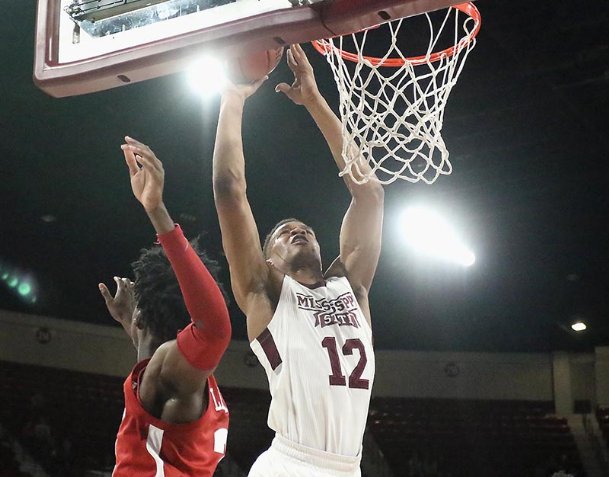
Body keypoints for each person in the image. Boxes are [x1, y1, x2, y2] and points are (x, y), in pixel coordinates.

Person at [212, 44, 384, 476]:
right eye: (282, 234)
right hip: (291, 464)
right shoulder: (265, 292)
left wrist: (315, 102)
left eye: (302, 227)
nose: (297, 229)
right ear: (267, 260)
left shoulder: (352, 287)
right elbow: (229, 189)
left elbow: (370, 194)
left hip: (348, 467)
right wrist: (233, 98)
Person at [98, 136, 231, 476]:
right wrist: (132, 323)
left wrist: (158, 212)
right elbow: (152, 371)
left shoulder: (172, 370)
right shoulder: (171, 375)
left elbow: (214, 328)